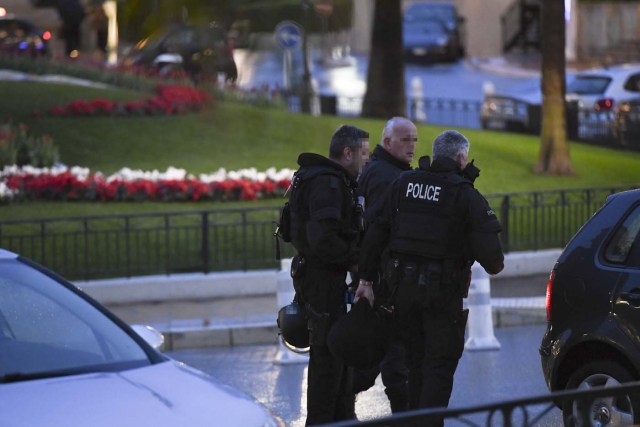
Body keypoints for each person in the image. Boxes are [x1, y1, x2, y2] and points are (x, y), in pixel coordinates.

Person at [355, 129, 504, 425]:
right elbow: (494, 262)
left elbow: (375, 234)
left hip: (403, 294)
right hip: (441, 297)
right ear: (461, 158)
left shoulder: (402, 184)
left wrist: (366, 281)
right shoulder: (464, 194)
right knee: (438, 368)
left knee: (414, 363)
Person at [287, 124, 370, 426]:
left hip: (320, 279)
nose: (366, 159)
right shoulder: (329, 184)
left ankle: (342, 418)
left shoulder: (323, 178)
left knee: (338, 358)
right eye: (364, 153)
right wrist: (356, 259)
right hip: (324, 282)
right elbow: (323, 238)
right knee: (327, 361)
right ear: (347, 153)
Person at [351, 117, 417, 414]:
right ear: (387, 142)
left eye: (414, 139)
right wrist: (369, 280)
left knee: (384, 351)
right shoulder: (386, 177)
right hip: (384, 281)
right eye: (406, 139)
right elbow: (376, 231)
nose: (412, 146)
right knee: (391, 353)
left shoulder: (384, 170)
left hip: (380, 278)